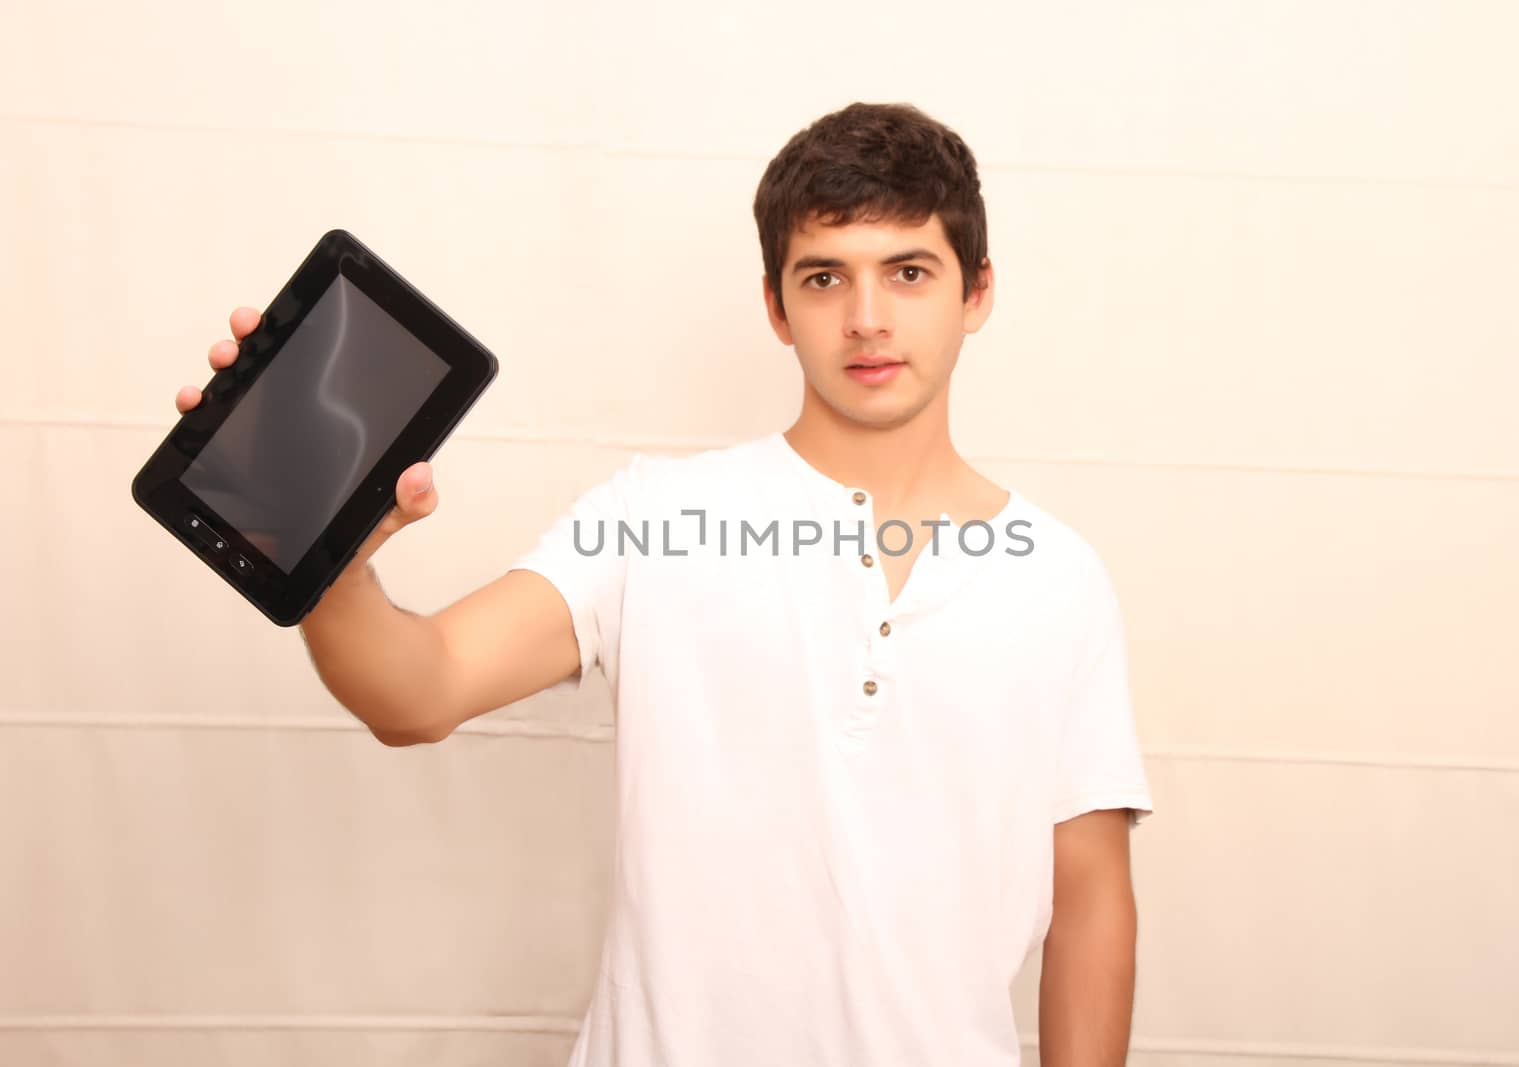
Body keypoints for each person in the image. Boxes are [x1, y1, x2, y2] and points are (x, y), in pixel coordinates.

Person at [175, 101, 1154, 1067]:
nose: (866, 318)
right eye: (824, 276)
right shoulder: (652, 516)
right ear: (776, 303)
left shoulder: (1058, 576)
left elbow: (1089, 901)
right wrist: (328, 547)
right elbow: (416, 690)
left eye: (907, 272)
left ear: (975, 291)